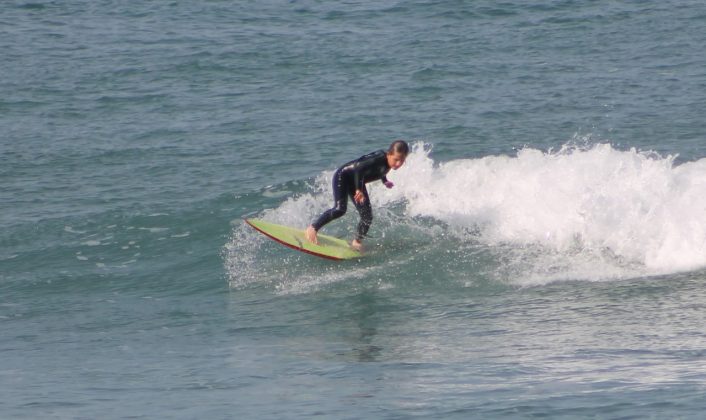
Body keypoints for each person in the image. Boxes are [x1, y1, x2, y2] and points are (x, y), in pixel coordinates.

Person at [305, 140, 409, 251]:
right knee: (340, 209)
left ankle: (357, 241)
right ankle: (313, 228)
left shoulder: (388, 163)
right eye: (396, 159)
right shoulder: (378, 158)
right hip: (343, 176)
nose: (398, 163)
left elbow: (380, 170)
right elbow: (358, 168)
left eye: (402, 160)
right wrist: (359, 189)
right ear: (389, 154)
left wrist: (385, 181)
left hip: (356, 182)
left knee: (367, 216)